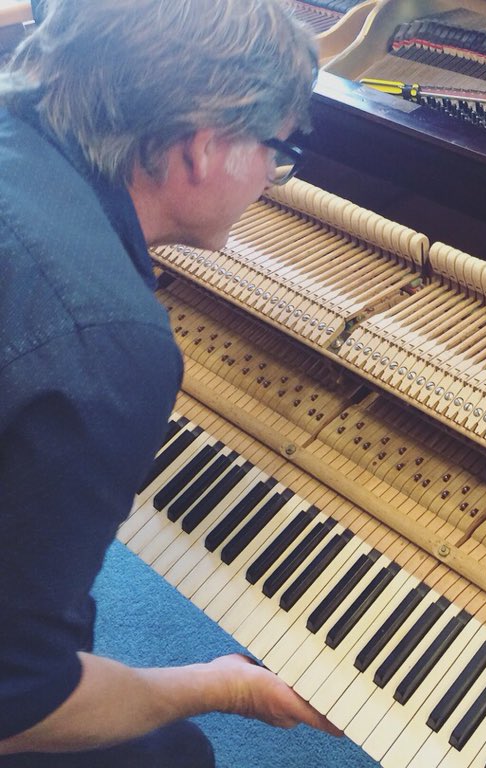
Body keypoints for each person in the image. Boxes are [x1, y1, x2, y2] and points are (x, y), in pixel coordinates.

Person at [0, 0, 342, 764]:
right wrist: (225, 686)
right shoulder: (106, 338)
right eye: (276, 149)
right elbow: (16, 708)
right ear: (201, 149)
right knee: (175, 755)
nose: (273, 178)